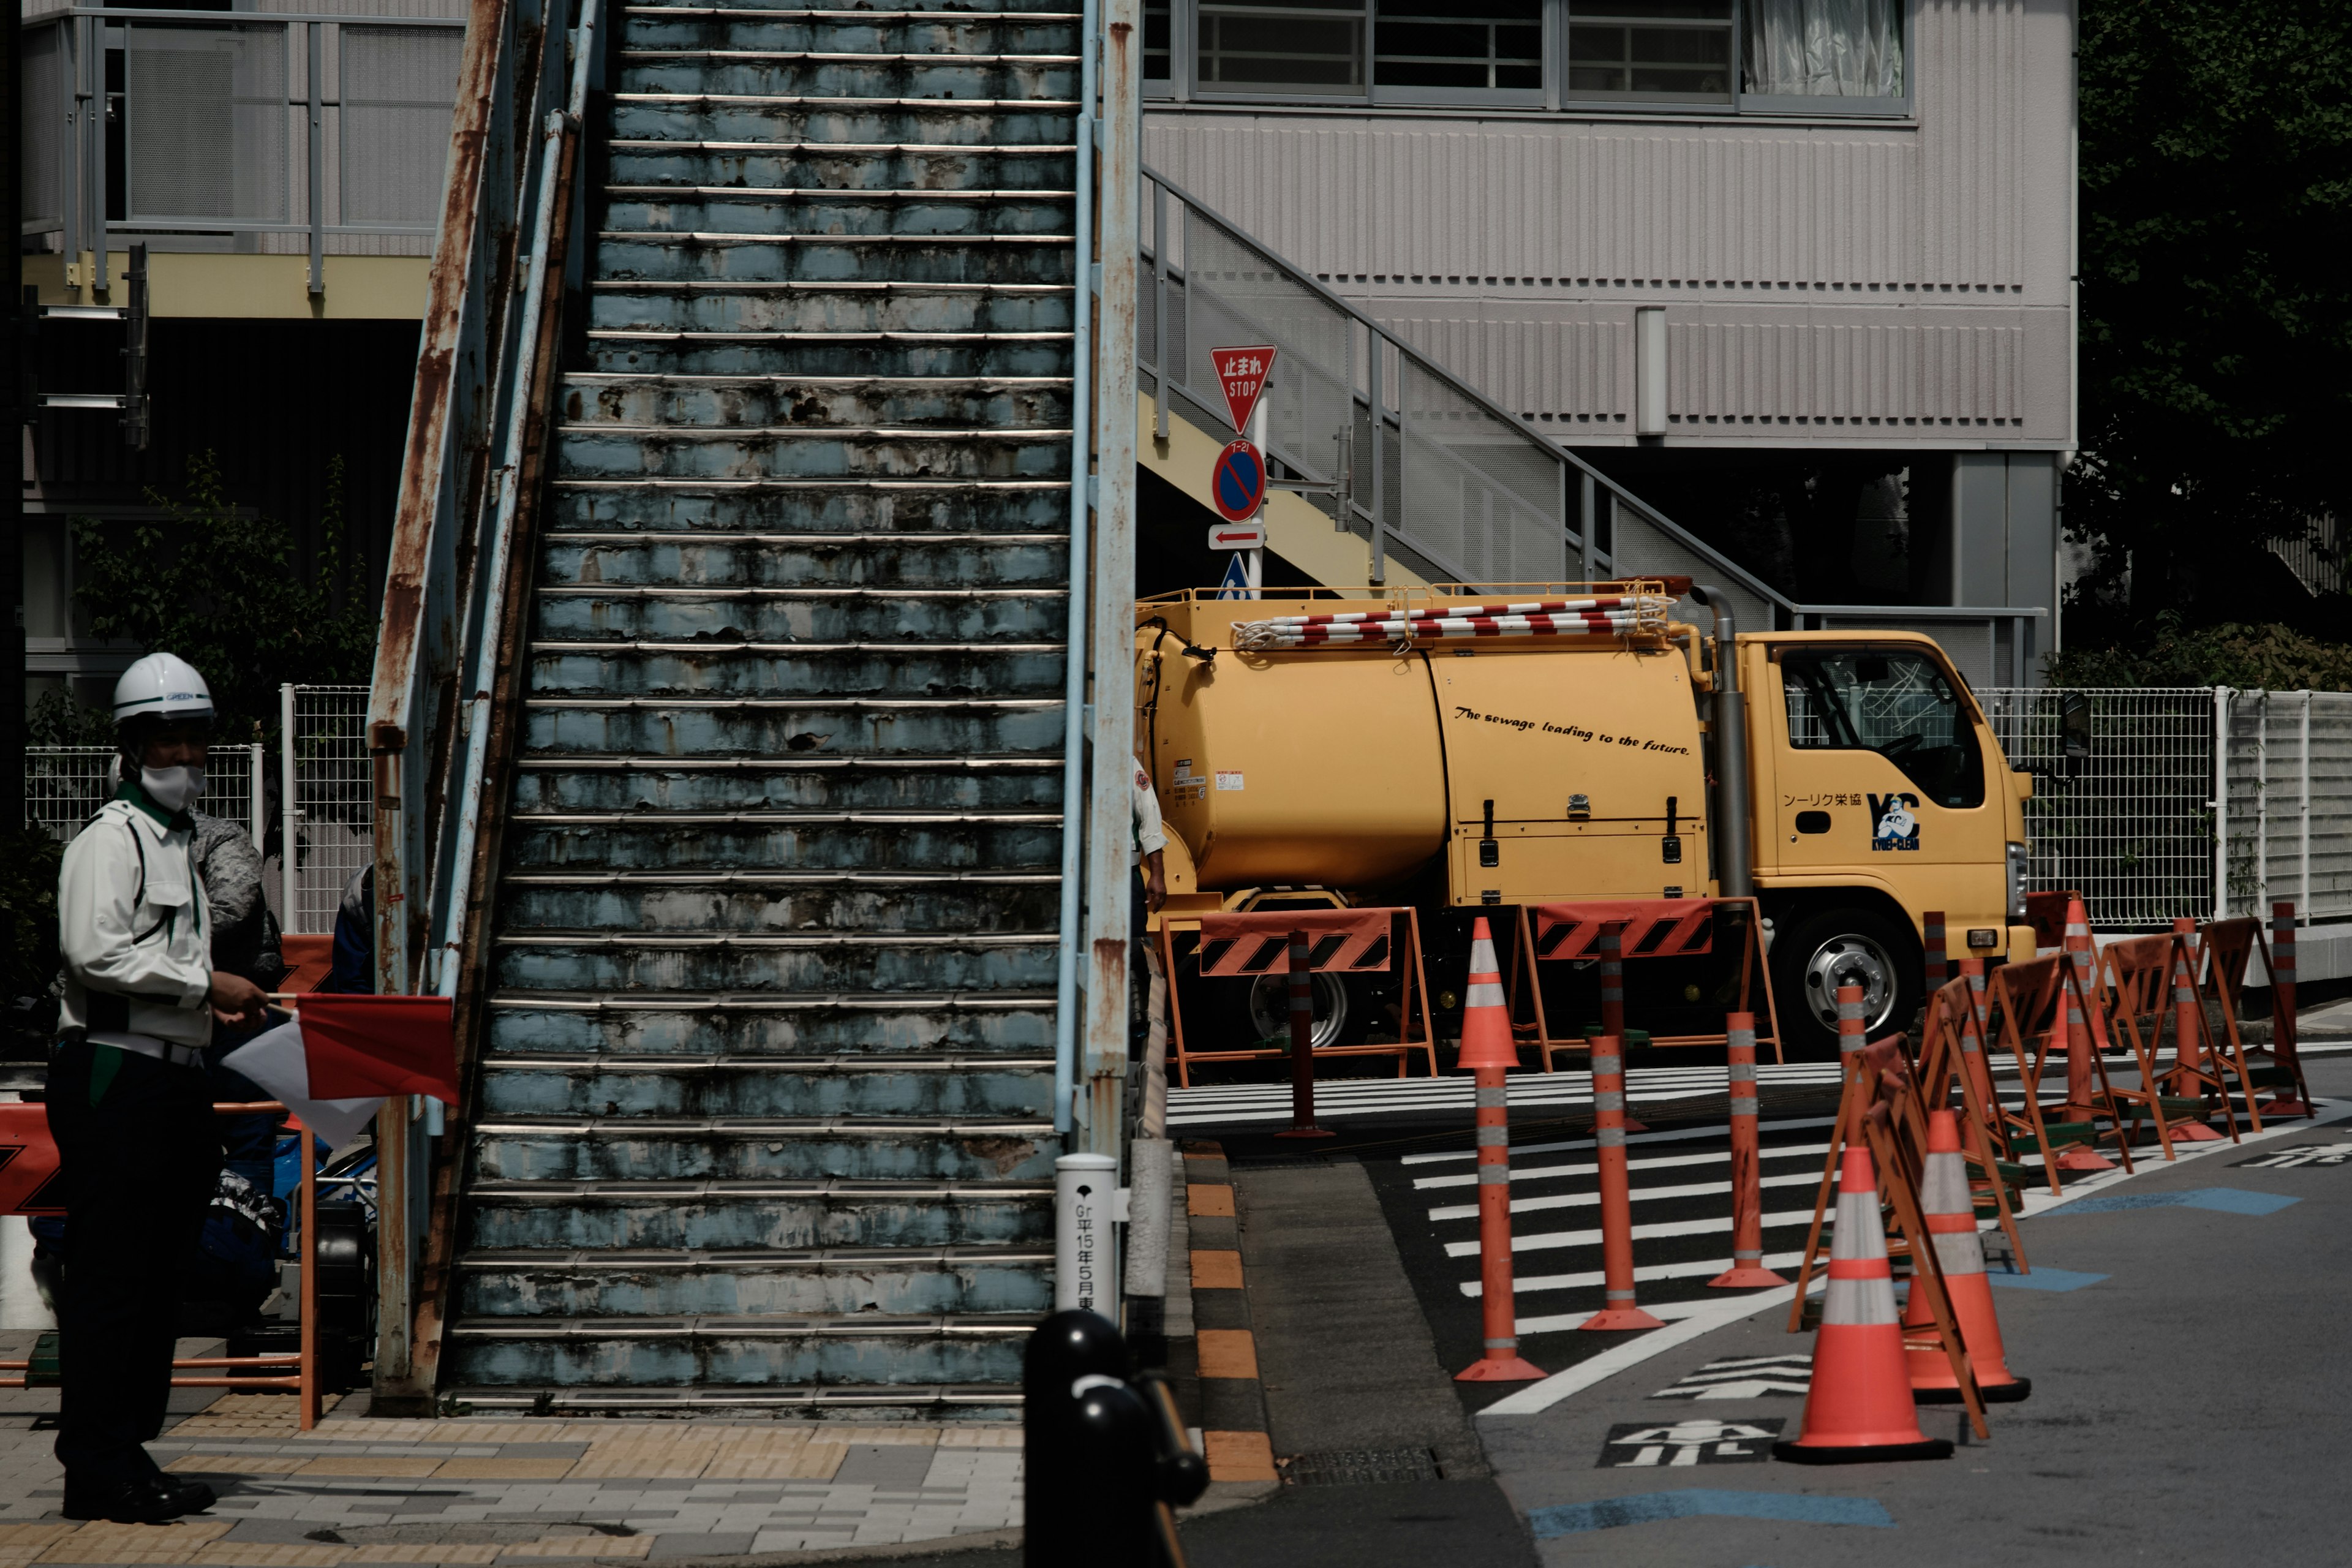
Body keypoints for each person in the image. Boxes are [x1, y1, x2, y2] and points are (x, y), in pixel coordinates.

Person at [49, 652, 268, 1523]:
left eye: (194, 737)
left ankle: (127, 1451)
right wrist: (203, 985)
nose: (183, 752)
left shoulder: (181, 842)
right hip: (115, 1071)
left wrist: (215, 1007)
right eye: (164, 737)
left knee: (158, 1278)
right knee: (111, 1278)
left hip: (174, 1075)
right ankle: (95, 1465)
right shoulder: (110, 840)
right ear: (132, 745)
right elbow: (93, 954)